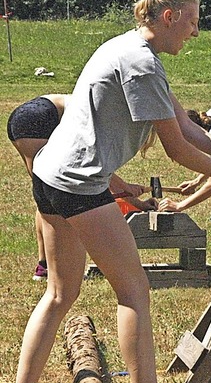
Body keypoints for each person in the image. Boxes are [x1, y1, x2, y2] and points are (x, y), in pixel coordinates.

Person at [0, 0, 211, 383]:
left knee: (60, 294)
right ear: (168, 17)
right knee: (134, 291)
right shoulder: (142, 65)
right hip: (79, 185)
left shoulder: (125, 47)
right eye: (192, 22)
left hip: (49, 175)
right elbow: (178, 151)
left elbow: (186, 126)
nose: (196, 32)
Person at [7, 95, 158, 282]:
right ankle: (50, 268)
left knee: (45, 195)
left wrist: (135, 199)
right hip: (41, 119)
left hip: (22, 117)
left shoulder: (101, 108)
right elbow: (98, 170)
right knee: (51, 195)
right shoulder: (102, 122)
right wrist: (134, 198)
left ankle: (44, 266)